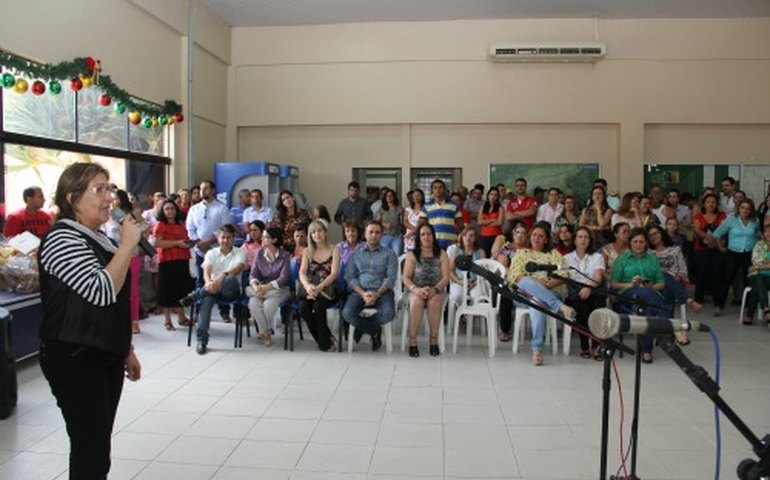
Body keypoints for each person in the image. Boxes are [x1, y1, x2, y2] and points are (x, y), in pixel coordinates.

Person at [38, 162, 142, 479]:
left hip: (104, 353)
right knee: (90, 448)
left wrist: (125, 348)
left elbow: (115, 300)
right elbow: (101, 291)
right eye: (98, 190)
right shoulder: (61, 239)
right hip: (74, 357)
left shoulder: (98, 238)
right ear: (72, 199)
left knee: (98, 445)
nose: (109, 197)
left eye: (109, 188)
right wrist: (127, 245)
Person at [507, 223, 575, 366]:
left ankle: (537, 350)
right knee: (525, 281)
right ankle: (560, 307)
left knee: (537, 302)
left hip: (549, 291)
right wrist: (538, 283)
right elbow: (515, 275)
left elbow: (564, 273)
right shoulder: (521, 253)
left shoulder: (554, 254)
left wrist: (548, 283)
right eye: (534, 235)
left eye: (540, 236)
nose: (536, 238)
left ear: (546, 239)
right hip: (524, 295)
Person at [183, 224, 246, 354]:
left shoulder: (240, 252)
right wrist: (209, 283)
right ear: (218, 239)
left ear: (233, 239)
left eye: (229, 238)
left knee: (229, 278)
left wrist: (222, 276)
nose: (225, 240)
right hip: (211, 289)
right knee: (205, 304)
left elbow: (238, 268)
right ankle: (202, 341)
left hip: (230, 291)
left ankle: (195, 295)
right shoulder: (212, 253)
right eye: (223, 237)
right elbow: (207, 270)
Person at [610, 227, 670, 364]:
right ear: (630, 243)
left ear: (646, 243)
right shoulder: (622, 258)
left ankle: (646, 351)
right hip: (627, 294)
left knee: (647, 308)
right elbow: (614, 284)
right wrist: (630, 285)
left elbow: (661, 283)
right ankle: (668, 329)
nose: (638, 245)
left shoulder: (652, 259)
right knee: (646, 295)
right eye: (635, 241)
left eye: (641, 242)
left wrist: (650, 287)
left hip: (649, 296)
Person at [343, 220, 398, 351]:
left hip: (382, 292)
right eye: (371, 232)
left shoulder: (390, 254)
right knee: (347, 313)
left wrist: (376, 294)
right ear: (365, 234)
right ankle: (374, 330)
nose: (374, 235)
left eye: (377, 232)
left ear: (382, 235)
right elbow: (350, 277)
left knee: (389, 313)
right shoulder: (355, 254)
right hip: (359, 291)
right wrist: (363, 293)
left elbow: (391, 278)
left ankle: (361, 327)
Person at [647, 224, 702, 344]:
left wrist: (678, 276)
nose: (653, 237)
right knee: (664, 277)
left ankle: (668, 332)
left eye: (656, 233)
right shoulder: (648, 253)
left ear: (662, 233)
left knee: (668, 287)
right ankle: (687, 301)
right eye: (650, 235)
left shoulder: (675, 250)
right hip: (655, 284)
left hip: (674, 282)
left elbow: (683, 270)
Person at [185, 180, 231, 320]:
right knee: (201, 280)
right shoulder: (194, 209)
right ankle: (200, 312)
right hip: (200, 251)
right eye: (201, 189)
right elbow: (190, 228)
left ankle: (224, 311)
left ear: (212, 190)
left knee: (221, 280)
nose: (202, 191)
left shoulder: (221, 208)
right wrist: (198, 242)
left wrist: (210, 242)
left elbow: (225, 227)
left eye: (205, 189)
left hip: (218, 250)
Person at [402, 223, 450, 357]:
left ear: (433, 236)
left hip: (436, 289)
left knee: (434, 302)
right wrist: (416, 289)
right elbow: (405, 278)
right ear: (418, 237)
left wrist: (435, 289)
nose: (426, 237)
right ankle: (412, 341)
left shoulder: (441, 254)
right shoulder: (412, 255)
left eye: (429, 234)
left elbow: (445, 278)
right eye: (423, 234)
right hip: (415, 289)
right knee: (417, 302)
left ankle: (433, 341)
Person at [709, 199, 759, 320]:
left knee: (749, 280)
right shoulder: (732, 220)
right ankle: (718, 305)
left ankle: (749, 307)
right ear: (739, 208)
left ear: (751, 210)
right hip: (733, 253)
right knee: (727, 280)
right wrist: (720, 246)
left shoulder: (755, 221)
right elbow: (717, 233)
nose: (745, 211)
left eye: (748, 208)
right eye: (743, 208)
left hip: (748, 253)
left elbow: (758, 235)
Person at [103, 189, 143, 334]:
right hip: (113, 257)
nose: (111, 201)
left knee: (132, 290)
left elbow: (145, 229)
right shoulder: (106, 217)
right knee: (116, 290)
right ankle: (119, 321)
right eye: (110, 199)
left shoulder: (132, 214)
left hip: (132, 256)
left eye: (115, 198)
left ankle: (134, 322)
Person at [564, 226, 606, 359]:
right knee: (582, 310)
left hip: (594, 290)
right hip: (575, 292)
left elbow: (598, 278)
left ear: (590, 240)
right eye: (580, 237)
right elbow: (567, 279)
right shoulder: (566, 258)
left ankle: (596, 345)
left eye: (586, 237)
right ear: (575, 240)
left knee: (598, 308)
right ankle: (584, 345)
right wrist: (581, 290)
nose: (583, 240)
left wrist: (588, 288)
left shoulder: (597, 257)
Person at [299, 220, 341, 351]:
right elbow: (302, 272)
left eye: (320, 231)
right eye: (313, 232)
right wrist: (307, 286)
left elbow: (334, 273)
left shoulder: (334, 249)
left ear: (326, 232)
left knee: (319, 306)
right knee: (304, 308)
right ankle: (326, 338)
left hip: (328, 289)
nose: (317, 234)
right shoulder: (307, 251)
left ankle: (324, 344)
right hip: (310, 289)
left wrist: (318, 288)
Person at [246, 227, 291, 347]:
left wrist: (266, 287)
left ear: (275, 240)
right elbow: (253, 274)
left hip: (279, 289)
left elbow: (284, 278)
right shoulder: (259, 253)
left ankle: (263, 332)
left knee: (267, 306)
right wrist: (256, 287)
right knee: (253, 304)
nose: (262, 239)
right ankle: (266, 332)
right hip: (260, 289)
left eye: (266, 237)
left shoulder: (285, 255)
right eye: (263, 236)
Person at [153, 200, 194, 330]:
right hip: (167, 261)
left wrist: (189, 243)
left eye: (172, 209)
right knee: (167, 291)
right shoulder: (160, 224)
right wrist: (177, 243)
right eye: (167, 209)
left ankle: (182, 317)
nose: (170, 211)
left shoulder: (180, 224)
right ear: (163, 211)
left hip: (181, 259)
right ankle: (167, 320)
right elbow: (158, 243)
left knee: (181, 289)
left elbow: (184, 239)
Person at [692, 193, 727, 306]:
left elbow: (724, 229)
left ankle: (717, 299)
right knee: (701, 273)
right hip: (701, 249)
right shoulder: (699, 216)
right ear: (704, 204)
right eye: (708, 202)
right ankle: (698, 298)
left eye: (713, 202)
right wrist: (708, 237)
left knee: (717, 273)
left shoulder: (722, 216)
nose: (711, 204)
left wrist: (715, 240)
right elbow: (697, 229)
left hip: (717, 248)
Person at [447, 226, 485, 312]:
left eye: (471, 235)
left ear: (475, 238)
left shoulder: (480, 252)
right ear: (462, 237)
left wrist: (475, 283)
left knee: (478, 295)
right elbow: (449, 271)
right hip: (459, 281)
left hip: (475, 282)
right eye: (465, 235)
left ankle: (471, 318)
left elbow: (484, 272)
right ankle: (462, 314)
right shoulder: (455, 251)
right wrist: (459, 281)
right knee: (457, 295)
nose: (468, 238)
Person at [425, 179, 462, 250]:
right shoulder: (426, 206)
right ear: (432, 191)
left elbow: (460, 224)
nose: (438, 190)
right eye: (435, 188)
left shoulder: (454, 205)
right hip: (433, 242)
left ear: (444, 190)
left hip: (451, 242)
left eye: (440, 187)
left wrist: (458, 237)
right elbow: (422, 224)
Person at [748, 223, 770, 323]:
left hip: (762, 275)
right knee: (759, 278)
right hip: (757, 275)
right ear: (764, 233)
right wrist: (765, 265)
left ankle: (749, 315)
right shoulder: (759, 245)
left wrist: (757, 267)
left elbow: (755, 265)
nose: (768, 234)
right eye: (766, 232)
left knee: (757, 284)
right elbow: (755, 260)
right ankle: (766, 309)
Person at [376, 188, 404, 255]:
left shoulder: (399, 208)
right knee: (385, 254)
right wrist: (384, 224)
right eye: (387, 196)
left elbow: (403, 220)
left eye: (391, 196)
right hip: (385, 235)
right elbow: (377, 222)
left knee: (396, 255)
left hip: (397, 235)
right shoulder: (382, 208)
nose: (389, 198)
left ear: (394, 197)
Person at [477, 187, 503, 257]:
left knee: (495, 256)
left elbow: (500, 222)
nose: (493, 196)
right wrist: (493, 220)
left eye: (495, 195)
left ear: (497, 197)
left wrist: (485, 222)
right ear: (488, 195)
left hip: (496, 235)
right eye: (491, 194)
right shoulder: (483, 207)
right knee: (484, 255)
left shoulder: (500, 208)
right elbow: (479, 222)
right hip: (484, 235)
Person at [403, 188, 427, 252]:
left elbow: (424, 221)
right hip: (410, 234)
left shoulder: (426, 208)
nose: (416, 197)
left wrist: (415, 231)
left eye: (418, 195)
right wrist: (414, 230)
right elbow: (405, 222)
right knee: (409, 254)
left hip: (422, 232)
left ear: (422, 196)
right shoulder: (408, 209)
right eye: (414, 195)